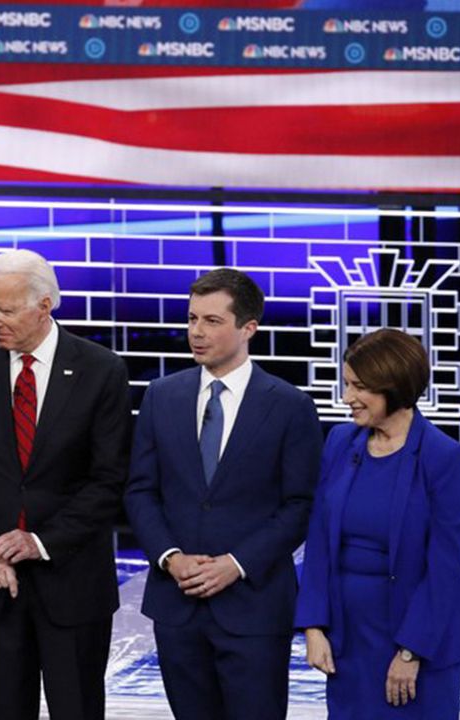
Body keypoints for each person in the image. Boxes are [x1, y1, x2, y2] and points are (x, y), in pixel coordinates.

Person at [0, 249, 131, 720]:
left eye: (6, 309)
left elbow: (109, 481)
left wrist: (40, 541)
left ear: (44, 305)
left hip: (73, 581)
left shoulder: (101, 370)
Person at [124, 268, 322, 720]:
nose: (196, 332)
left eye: (211, 321)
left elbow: (300, 505)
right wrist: (171, 557)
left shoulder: (290, 405)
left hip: (253, 608)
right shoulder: (161, 396)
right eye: (192, 319)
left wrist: (236, 564)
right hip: (177, 605)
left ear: (248, 328)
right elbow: (140, 491)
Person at [296, 328, 460, 718]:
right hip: (348, 639)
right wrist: (314, 625)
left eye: (359, 387)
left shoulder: (444, 458)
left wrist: (411, 650)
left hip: (419, 638)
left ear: (395, 388)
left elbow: (445, 566)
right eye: (347, 383)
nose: (347, 398)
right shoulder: (339, 442)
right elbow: (318, 537)